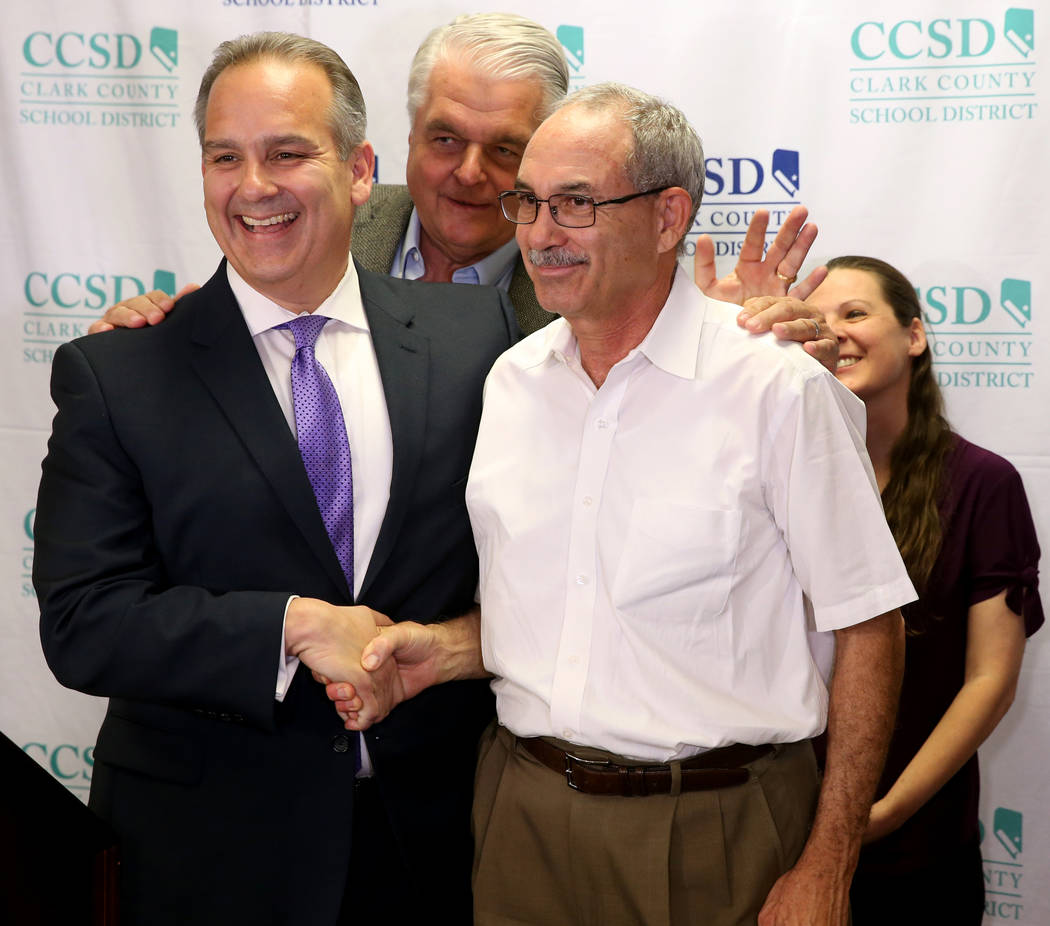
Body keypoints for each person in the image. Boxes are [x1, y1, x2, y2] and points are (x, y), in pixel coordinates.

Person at [322, 83, 917, 926]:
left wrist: (830, 860)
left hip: (720, 826)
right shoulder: (511, 383)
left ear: (669, 217)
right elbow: (568, 604)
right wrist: (448, 651)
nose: (538, 232)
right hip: (520, 817)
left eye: (575, 204)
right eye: (529, 202)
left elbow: (870, 625)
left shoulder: (775, 386)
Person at [33, 32, 516, 926]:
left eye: (288, 152)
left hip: (435, 851)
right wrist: (288, 628)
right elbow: (82, 623)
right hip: (205, 856)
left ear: (361, 168)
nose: (253, 186)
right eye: (226, 157)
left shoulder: (476, 337)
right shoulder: (119, 373)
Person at [90, 13, 834, 354]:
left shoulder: (601, 273)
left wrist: (718, 341)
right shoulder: (322, 219)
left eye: (506, 150)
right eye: (445, 139)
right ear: (398, 143)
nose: (471, 174)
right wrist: (163, 336)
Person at [805, 256, 1043, 925]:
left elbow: (989, 680)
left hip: (914, 846)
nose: (836, 334)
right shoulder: (780, 472)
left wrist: (882, 813)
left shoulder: (982, 484)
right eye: (818, 320)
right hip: (777, 831)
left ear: (914, 335)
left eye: (855, 313)